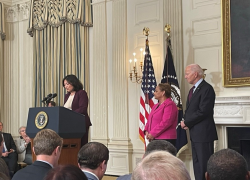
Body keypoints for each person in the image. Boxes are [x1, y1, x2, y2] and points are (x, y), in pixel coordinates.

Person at [181, 64, 218, 180]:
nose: (186, 77)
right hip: (195, 133)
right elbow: (191, 110)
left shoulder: (207, 88)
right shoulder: (193, 89)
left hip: (204, 134)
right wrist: (186, 120)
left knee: (204, 165)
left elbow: (203, 111)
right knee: (197, 165)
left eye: (187, 74)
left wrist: (187, 122)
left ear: (195, 74)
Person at [63, 74, 91, 147]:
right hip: (69, 124)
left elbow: (83, 108)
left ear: (73, 83)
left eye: (67, 84)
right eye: (64, 85)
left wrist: (70, 114)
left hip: (80, 123)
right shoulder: (67, 96)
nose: (65, 86)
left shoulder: (81, 93)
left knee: (81, 145)